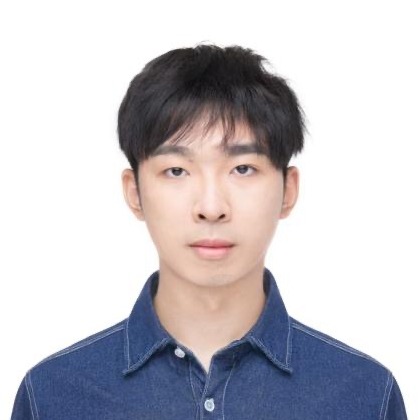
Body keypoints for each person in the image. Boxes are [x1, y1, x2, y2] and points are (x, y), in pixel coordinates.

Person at [11, 44, 407, 419]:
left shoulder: (365, 394)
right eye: (176, 171)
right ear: (135, 193)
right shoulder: (52, 395)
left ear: (288, 191)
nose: (211, 207)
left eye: (243, 169)